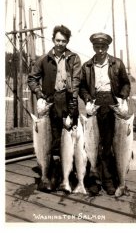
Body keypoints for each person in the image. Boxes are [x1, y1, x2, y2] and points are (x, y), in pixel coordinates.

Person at [28, 25, 81, 191]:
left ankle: (69, 176)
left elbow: (76, 83)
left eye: (63, 41)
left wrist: (72, 109)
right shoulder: (44, 59)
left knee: (70, 141)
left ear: (67, 42)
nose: (60, 43)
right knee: (50, 141)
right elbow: (32, 79)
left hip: (68, 101)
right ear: (53, 40)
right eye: (58, 40)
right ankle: (50, 176)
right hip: (50, 103)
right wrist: (39, 93)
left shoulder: (74, 58)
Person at [79, 32, 131, 195]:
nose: (100, 50)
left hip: (112, 104)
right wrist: (87, 100)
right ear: (93, 47)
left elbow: (125, 84)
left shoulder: (117, 63)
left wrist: (122, 98)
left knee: (108, 145)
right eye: (97, 47)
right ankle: (93, 180)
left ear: (107, 47)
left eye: (103, 47)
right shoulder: (87, 66)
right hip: (94, 105)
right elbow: (82, 87)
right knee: (92, 144)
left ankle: (108, 180)